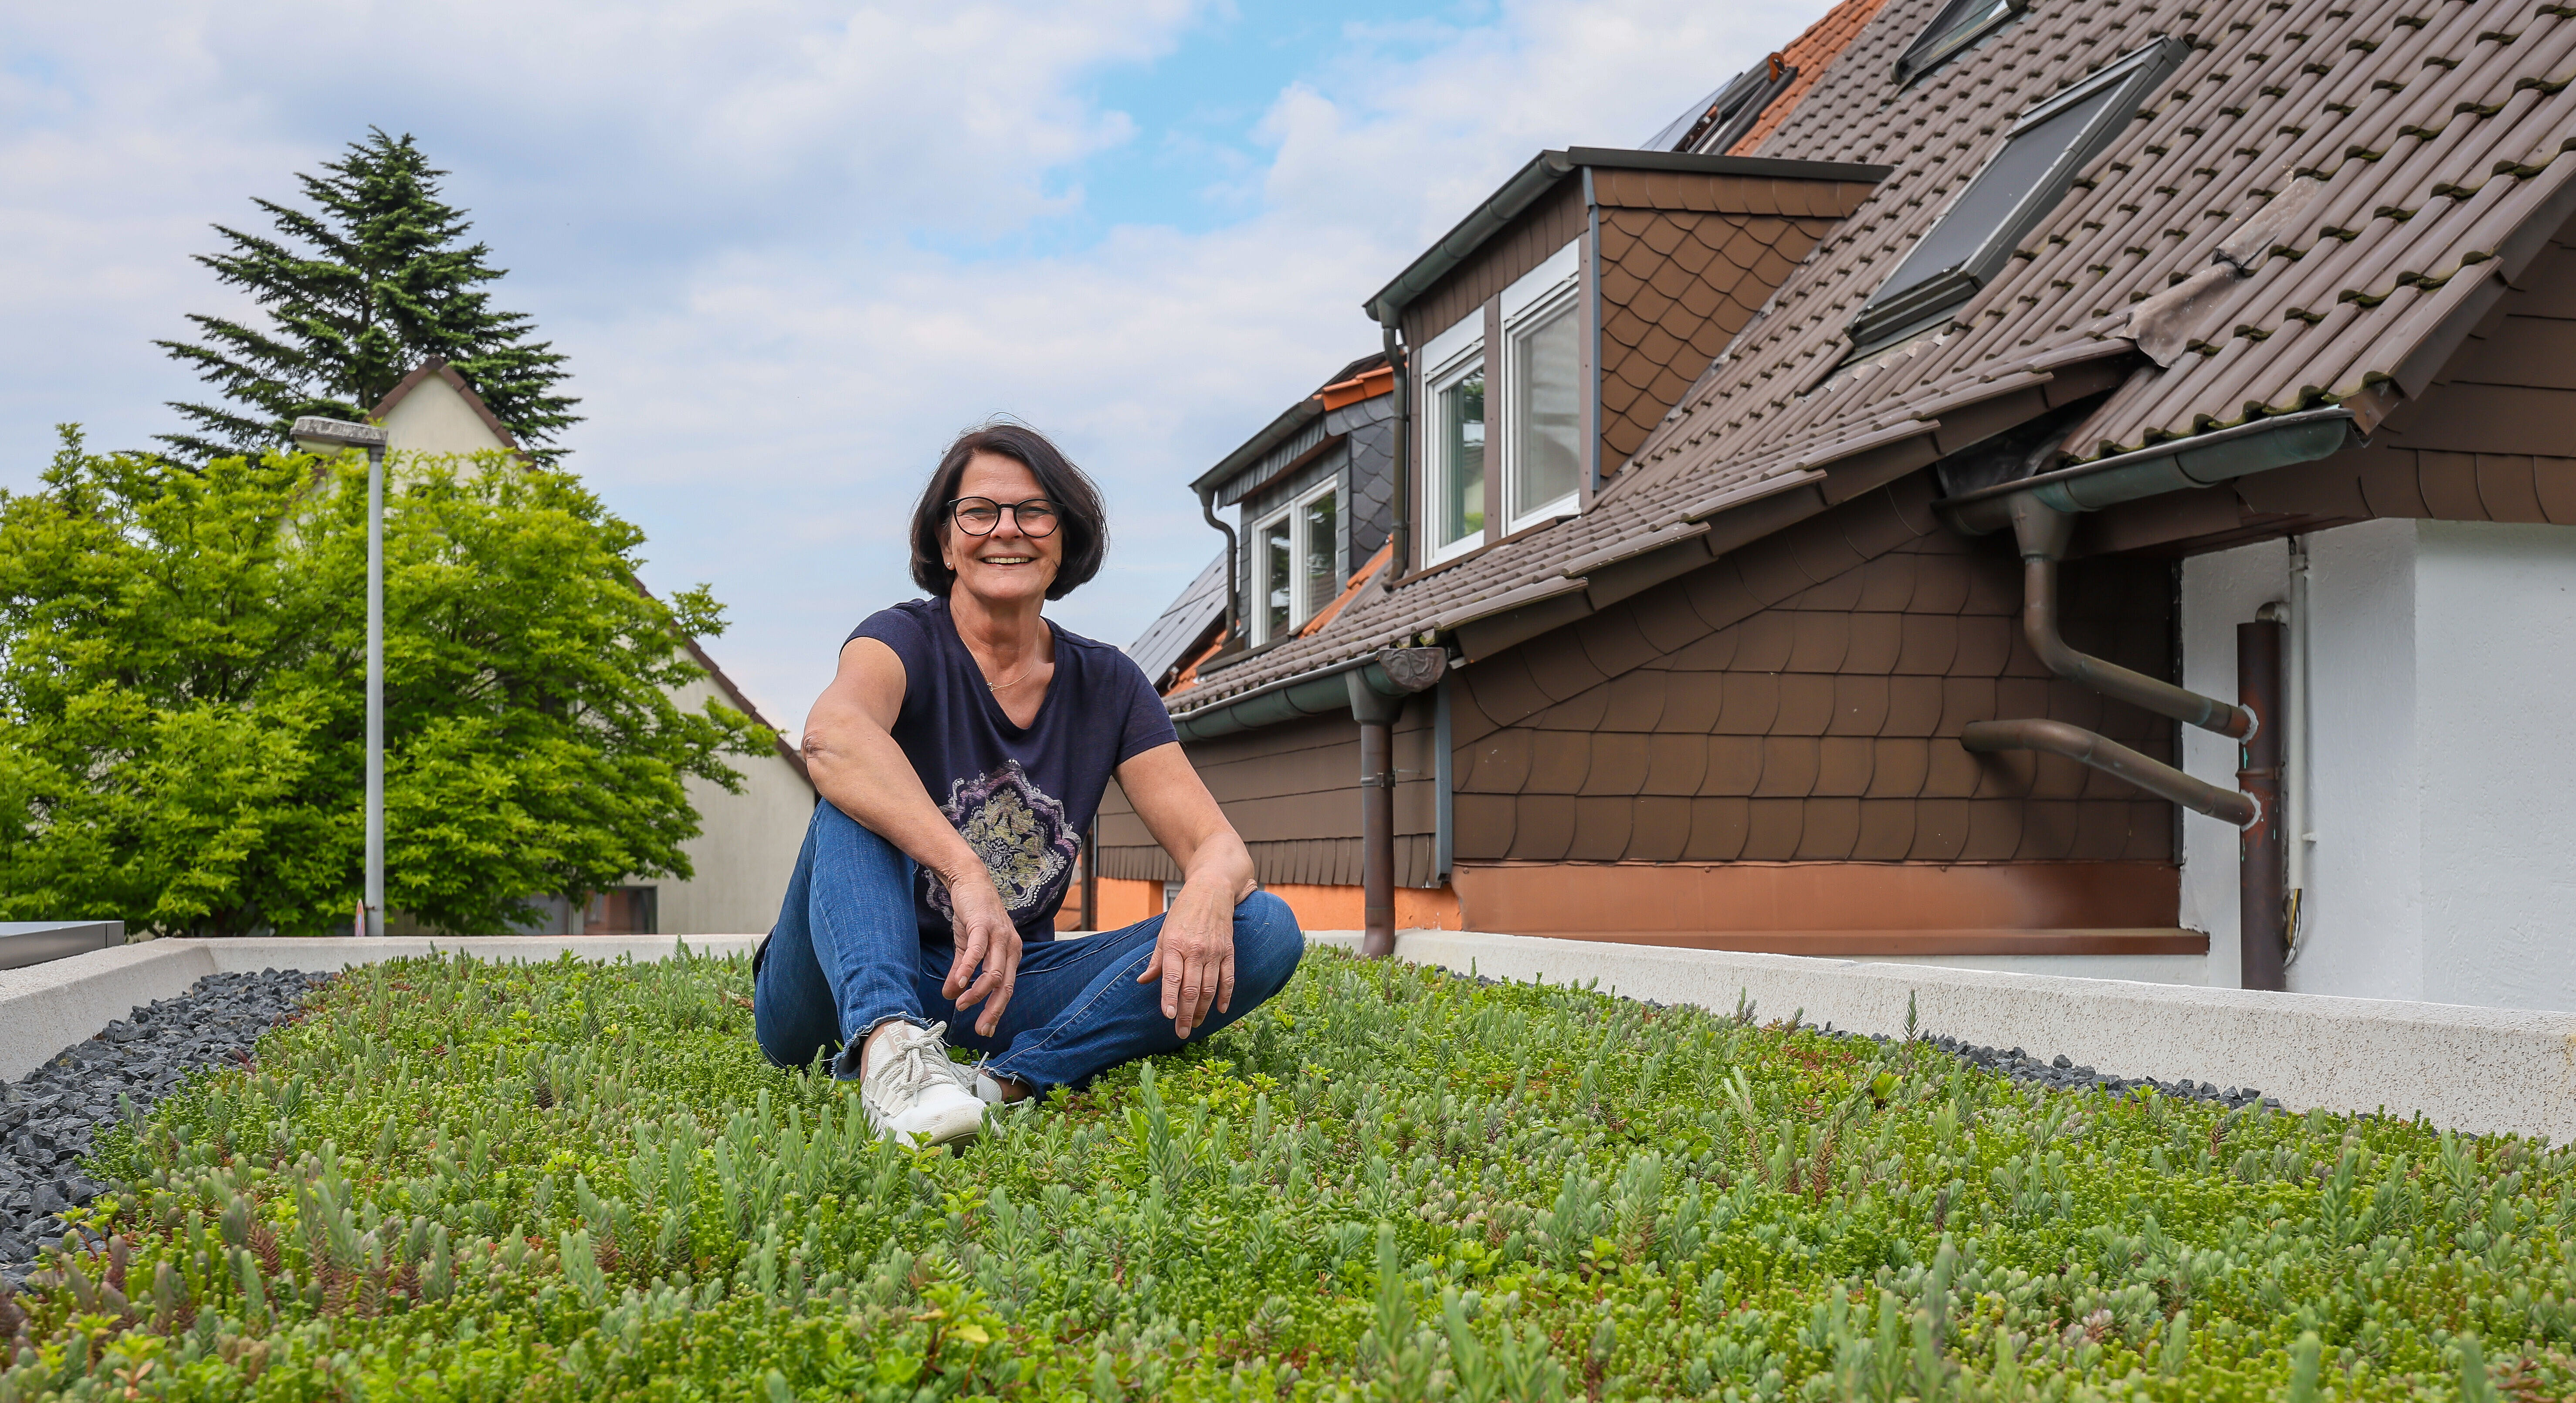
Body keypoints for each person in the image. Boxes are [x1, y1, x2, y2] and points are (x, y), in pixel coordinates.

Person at [752, 422, 1303, 1146]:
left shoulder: (1108, 684)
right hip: (831, 983)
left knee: (1262, 928)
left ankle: (1005, 1080)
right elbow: (833, 736)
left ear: (1063, 540)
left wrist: (1205, 886)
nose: (1005, 530)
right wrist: (964, 870)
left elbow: (1218, 846)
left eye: (1033, 512)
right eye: (978, 512)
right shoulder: (901, 641)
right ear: (945, 543)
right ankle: (890, 1053)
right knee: (857, 800)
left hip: (994, 984)